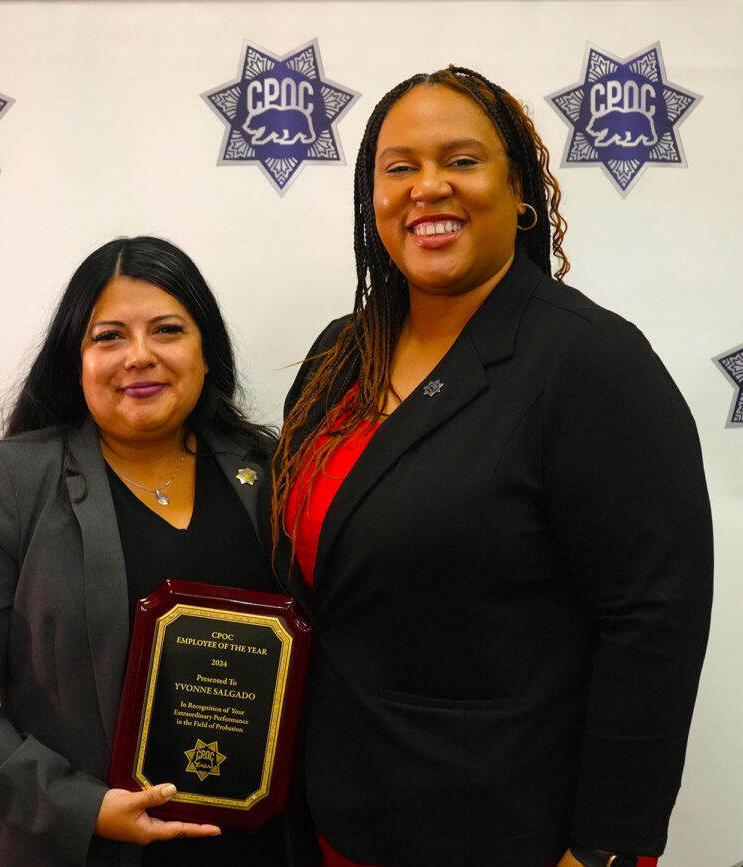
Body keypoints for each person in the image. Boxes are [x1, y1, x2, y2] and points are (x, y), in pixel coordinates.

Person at [271, 67, 712, 867]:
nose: (427, 187)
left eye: (462, 161)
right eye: (398, 167)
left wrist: (608, 848)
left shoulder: (588, 361)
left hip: (497, 832)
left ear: (520, 193)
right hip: (333, 815)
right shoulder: (342, 350)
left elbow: (654, 626)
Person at [0, 236, 297, 867]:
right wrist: (82, 807)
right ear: (75, 359)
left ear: (205, 350)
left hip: (251, 849)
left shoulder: (272, 473)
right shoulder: (10, 480)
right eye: (109, 336)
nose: (139, 357)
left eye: (167, 330)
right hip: (77, 850)